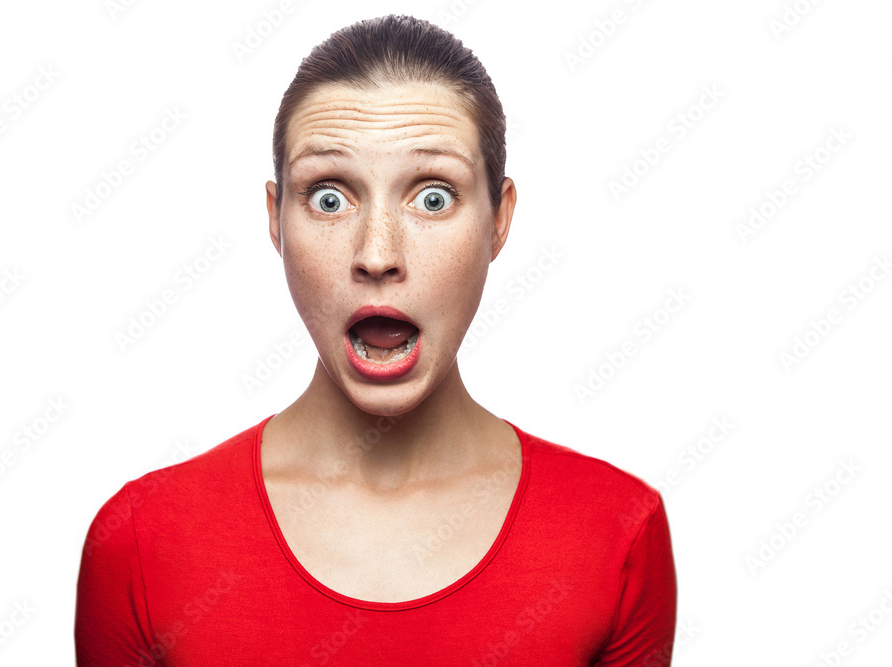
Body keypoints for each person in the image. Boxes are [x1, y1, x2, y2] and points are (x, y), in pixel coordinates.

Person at [74, 14, 677, 666]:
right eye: (330, 198)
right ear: (275, 220)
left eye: (434, 198)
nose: (378, 254)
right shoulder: (142, 540)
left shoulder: (615, 533)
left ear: (499, 220)